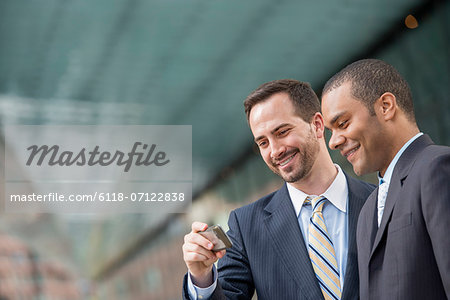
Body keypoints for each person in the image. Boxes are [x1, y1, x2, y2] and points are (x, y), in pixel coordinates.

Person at [182, 79, 375, 300]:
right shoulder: (246, 227)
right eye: (263, 142)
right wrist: (201, 278)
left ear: (318, 125)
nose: (275, 151)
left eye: (282, 132)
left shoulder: (381, 201)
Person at [321, 58, 450, 299]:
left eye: (343, 123)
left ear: (386, 106)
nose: (333, 141)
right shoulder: (369, 208)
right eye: (331, 131)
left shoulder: (438, 168)